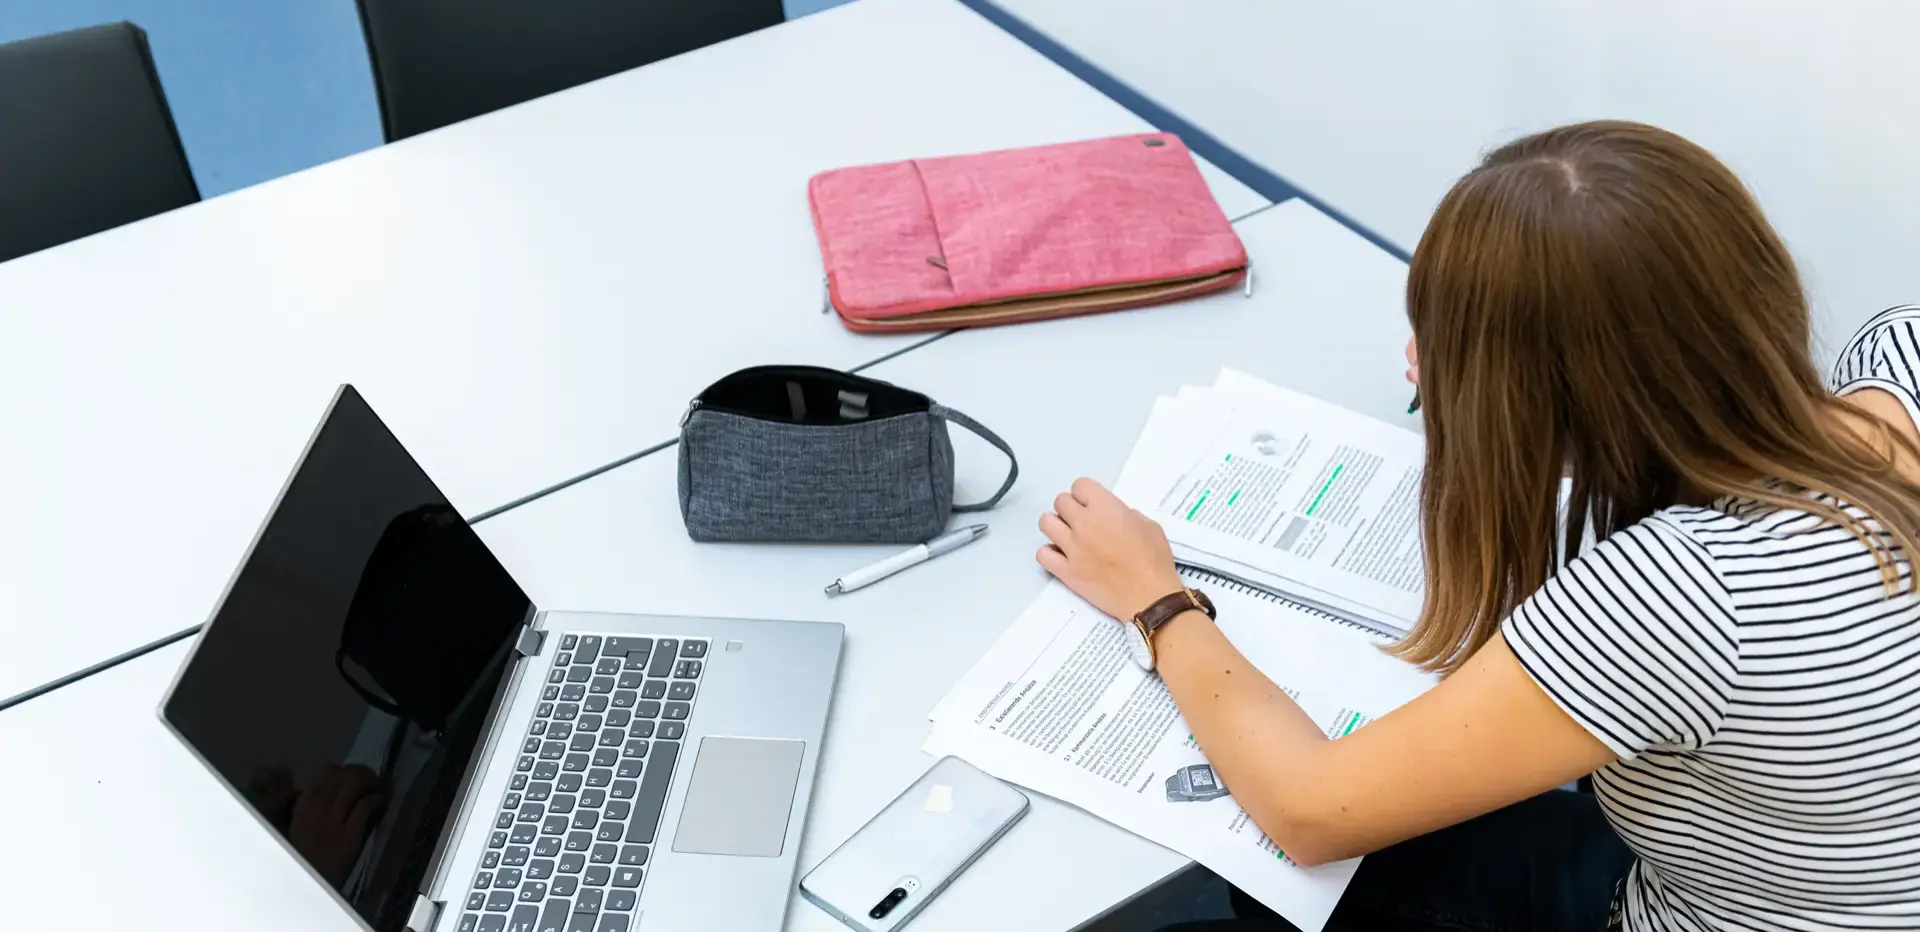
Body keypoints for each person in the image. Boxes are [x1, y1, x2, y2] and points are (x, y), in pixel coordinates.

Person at [1036, 120, 1920, 931]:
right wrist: (1496, 375)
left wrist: (1156, 600)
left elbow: (1310, 809)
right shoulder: (1900, 351)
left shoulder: (1689, 592)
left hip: (1684, 908)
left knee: (1259, 891)